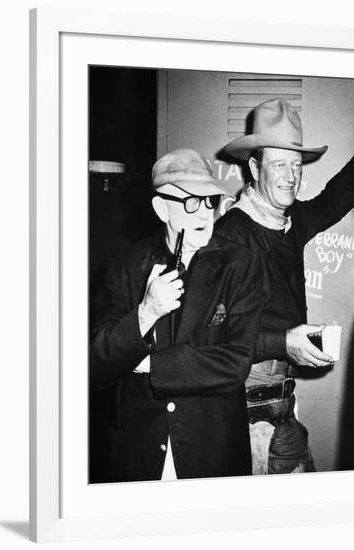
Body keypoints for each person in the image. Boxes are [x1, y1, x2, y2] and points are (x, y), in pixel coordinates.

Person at [90, 148, 264, 482]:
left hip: (212, 457)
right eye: (191, 202)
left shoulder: (239, 265)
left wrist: (149, 364)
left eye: (210, 201)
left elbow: (235, 362)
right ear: (161, 208)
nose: (204, 215)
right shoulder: (125, 265)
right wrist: (146, 313)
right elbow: (96, 366)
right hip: (137, 458)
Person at [214, 98, 354, 474]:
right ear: (254, 167)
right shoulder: (231, 234)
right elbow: (213, 338)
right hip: (242, 416)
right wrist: (285, 341)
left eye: (296, 165)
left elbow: (337, 196)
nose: (290, 176)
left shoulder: (291, 219)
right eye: (279, 164)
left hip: (282, 408)